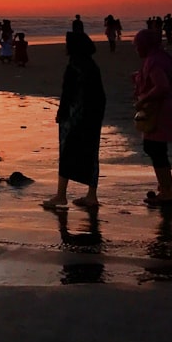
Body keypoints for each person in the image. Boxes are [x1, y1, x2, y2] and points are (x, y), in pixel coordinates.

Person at [41, 31, 105, 210]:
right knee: (91, 153)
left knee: (67, 152)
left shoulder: (74, 65)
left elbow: (67, 93)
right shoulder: (92, 65)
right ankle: (91, 195)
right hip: (92, 114)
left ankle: (61, 195)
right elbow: (100, 95)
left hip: (75, 115)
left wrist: (61, 113)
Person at [133, 28, 172, 206]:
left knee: (154, 148)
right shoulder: (163, 57)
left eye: (138, 45)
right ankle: (169, 186)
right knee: (159, 149)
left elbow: (162, 86)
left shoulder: (154, 61)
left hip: (161, 110)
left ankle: (165, 192)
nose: (136, 49)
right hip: (167, 108)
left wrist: (143, 101)